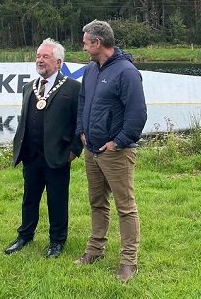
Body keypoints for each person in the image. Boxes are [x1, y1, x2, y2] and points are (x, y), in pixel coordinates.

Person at [74, 20, 147, 283]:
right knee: (97, 203)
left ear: (98, 43)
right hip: (91, 150)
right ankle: (95, 250)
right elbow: (83, 102)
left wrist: (119, 142)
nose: (83, 47)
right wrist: (81, 130)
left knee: (125, 207)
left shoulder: (127, 72)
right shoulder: (91, 70)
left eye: (85, 42)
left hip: (116, 152)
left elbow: (137, 114)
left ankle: (129, 262)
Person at [4, 38, 83, 258]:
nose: (40, 60)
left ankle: (57, 242)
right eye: (38, 56)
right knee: (29, 199)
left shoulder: (73, 87)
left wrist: (74, 151)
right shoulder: (29, 87)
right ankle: (24, 236)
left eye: (45, 57)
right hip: (31, 155)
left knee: (57, 200)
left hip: (58, 155)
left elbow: (80, 122)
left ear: (58, 62)